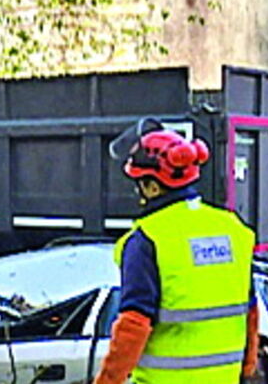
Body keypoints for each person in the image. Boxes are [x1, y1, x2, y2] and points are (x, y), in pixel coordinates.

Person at [94, 118, 259, 384]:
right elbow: (250, 310)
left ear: (152, 187)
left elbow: (133, 325)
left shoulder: (148, 239)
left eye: (139, 186)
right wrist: (248, 367)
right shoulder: (232, 229)